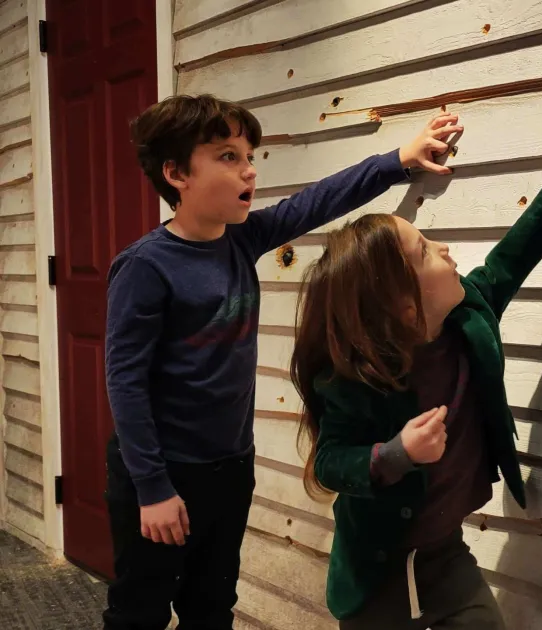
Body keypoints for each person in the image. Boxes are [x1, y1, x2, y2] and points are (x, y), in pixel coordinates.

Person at [103, 93, 462, 630]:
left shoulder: (241, 240)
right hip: (159, 474)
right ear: (176, 173)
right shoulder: (145, 268)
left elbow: (316, 202)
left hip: (229, 467)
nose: (248, 170)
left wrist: (398, 160)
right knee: (140, 611)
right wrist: (153, 489)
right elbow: (124, 383)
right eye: (227, 157)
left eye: (249, 156)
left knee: (211, 606)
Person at [289, 102, 542, 629]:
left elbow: (513, 255)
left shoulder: (469, 313)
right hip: (377, 568)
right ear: (404, 306)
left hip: (443, 552)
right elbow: (331, 462)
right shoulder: (356, 379)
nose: (445, 249)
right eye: (425, 251)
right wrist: (397, 453)